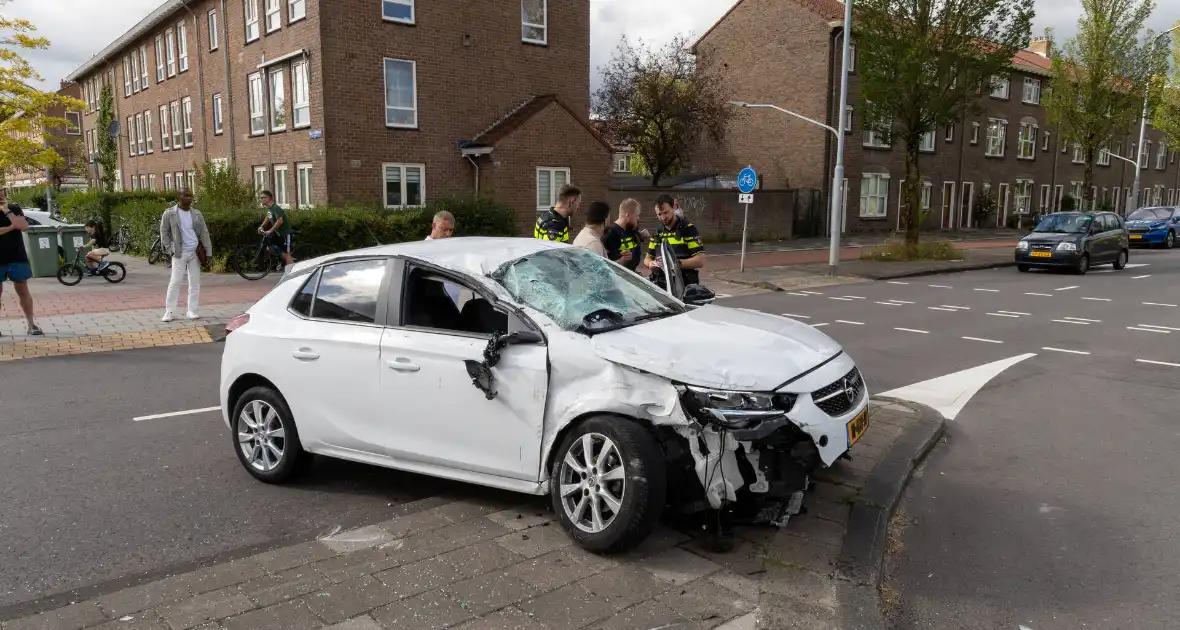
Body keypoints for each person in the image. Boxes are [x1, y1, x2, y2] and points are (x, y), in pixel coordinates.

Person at [159, 189, 212, 322]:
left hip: (195, 252)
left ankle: (192, 310)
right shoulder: (170, 213)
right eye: (186, 195)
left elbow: (204, 233)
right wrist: (169, 249)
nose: (189, 198)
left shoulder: (197, 214)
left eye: (190, 196)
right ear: (178, 197)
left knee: (194, 283)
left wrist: (209, 252)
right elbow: (164, 232)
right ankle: (169, 312)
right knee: (175, 282)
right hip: (179, 253)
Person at [0, 189, 43, 336]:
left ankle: (31, 325)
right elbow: (16, 226)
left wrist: (7, 211)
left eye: (1, 192)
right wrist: (12, 227)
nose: (1, 195)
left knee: (23, 290)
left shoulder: (13, 208)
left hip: (16, 256)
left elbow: (24, 227)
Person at [645, 194, 707, 287]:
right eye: (659, 214)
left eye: (666, 212)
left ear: (674, 208)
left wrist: (675, 263)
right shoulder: (657, 232)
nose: (663, 218)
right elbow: (647, 258)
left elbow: (700, 260)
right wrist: (651, 264)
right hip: (662, 285)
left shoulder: (688, 229)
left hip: (684, 285)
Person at [603, 198, 650, 272]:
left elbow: (632, 243)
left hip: (632, 273)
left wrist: (641, 237)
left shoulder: (631, 228)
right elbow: (605, 262)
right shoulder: (610, 232)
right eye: (636, 216)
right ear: (628, 215)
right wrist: (620, 261)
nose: (638, 218)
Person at [424, 211, 460, 304]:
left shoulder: (454, 251)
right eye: (444, 229)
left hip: (452, 307)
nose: (448, 234)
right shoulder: (421, 251)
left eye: (451, 230)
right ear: (434, 226)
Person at [257, 190, 293, 267]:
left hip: (285, 234)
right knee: (269, 247)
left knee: (287, 254)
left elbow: (280, 221)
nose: (261, 199)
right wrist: (261, 226)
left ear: (269, 198)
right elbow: (268, 217)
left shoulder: (275, 208)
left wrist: (270, 230)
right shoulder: (269, 208)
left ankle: (291, 272)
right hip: (278, 234)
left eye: (263, 197)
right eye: (260, 198)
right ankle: (285, 260)